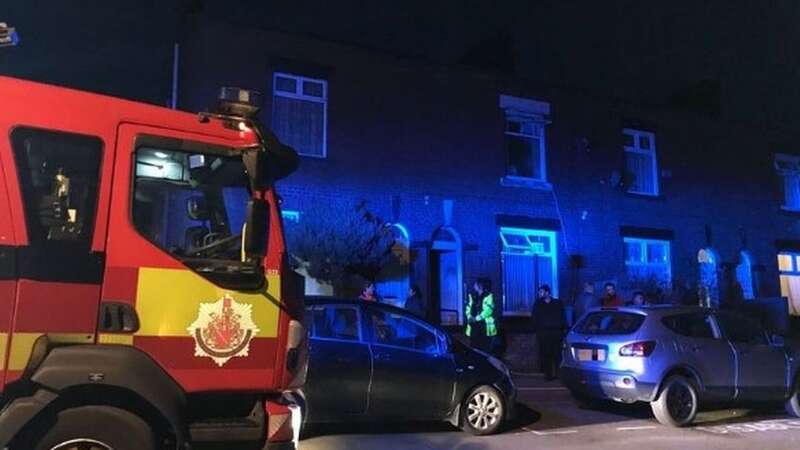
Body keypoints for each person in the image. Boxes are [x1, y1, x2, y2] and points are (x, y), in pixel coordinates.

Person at [531, 285, 567, 381]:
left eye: (542, 292)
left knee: (557, 354)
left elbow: (562, 316)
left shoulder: (557, 303)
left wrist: (563, 329)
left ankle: (558, 374)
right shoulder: (538, 304)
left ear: (547, 292)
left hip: (556, 332)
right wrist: (538, 330)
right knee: (546, 354)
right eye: (539, 292)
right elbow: (535, 318)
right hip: (544, 333)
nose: (540, 294)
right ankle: (548, 375)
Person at [465, 278, 497, 353]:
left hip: (484, 326)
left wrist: (476, 318)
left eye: (475, 284)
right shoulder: (472, 296)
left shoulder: (489, 296)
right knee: (473, 347)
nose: (474, 286)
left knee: (484, 349)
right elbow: (468, 308)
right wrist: (469, 316)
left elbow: (488, 311)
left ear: (480, 285)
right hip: (474, 326)